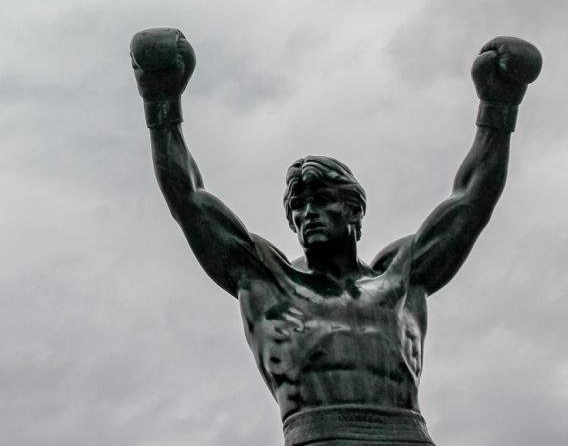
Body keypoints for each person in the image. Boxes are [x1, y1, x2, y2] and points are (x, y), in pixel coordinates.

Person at [130, 29, 541, 446]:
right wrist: (161, 101)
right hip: (319, 436)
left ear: (353, 210)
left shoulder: (402, 276)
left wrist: (499, 104)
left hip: (409, 436)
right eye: (298, 206)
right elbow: (189, 200)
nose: (307, 213)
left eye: (321, 200)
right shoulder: (268, 278)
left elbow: (471, 203)